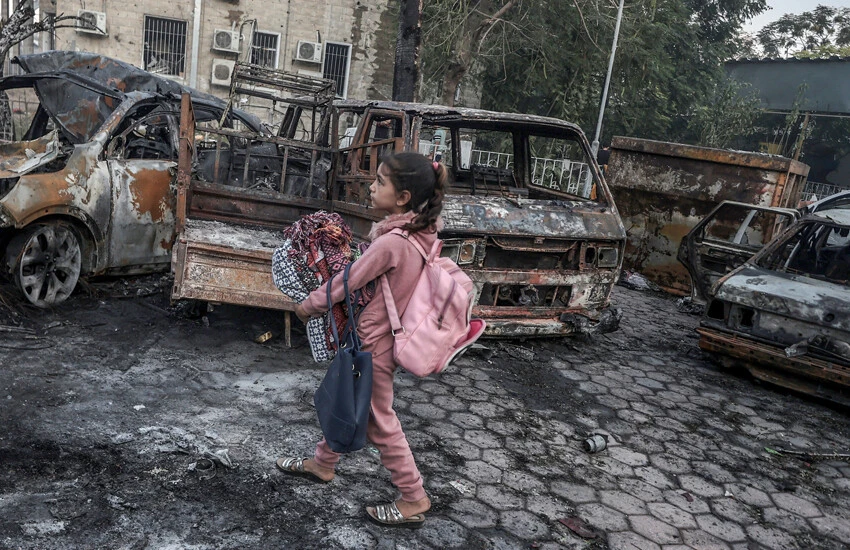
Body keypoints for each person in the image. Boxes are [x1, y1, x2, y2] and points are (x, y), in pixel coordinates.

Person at [277, 152, 448, 528]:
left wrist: (309, 305)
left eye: (381, 182)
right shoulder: (420, 233)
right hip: (383, 336)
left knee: (377, 420)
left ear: (402, 198)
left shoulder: (393, 243)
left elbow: (346, 281)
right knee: (347, 397)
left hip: (376, 342)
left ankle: (414, 496)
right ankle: (323, 464)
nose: (372, 187)